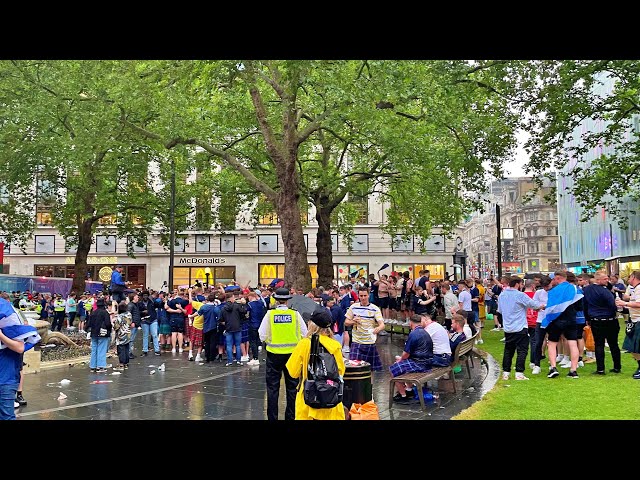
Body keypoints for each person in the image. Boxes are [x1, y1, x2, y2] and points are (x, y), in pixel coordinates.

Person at [285, 309, 346, 420]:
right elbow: (341, 371)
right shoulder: (335, 345)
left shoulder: (304, 344)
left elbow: (293, 372)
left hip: (308, 401)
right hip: (331, 400)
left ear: (312, 325)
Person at [259, 287, 307, 421]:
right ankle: (290, 417)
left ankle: (272, 417)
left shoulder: (270, 314)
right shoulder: (295, 314)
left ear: (276, 299)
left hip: (274, 355)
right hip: (292, 355)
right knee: (292, 388)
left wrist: (270, 340)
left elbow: (262, 335)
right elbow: (305, 333)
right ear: (287, 300)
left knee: (272, 388)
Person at [498, 276, 545, 380]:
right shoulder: (520, 295)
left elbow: (500, 310)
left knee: (508, 350)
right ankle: (519, 372)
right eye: (521, 284)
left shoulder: (502, 294)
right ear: (517, 284)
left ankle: (506, 372)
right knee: (522, 350)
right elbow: (533, 304)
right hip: (520, 326)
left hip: (508, 327)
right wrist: (542, 306)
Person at [389, 314, 434, 403]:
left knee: (393, 369)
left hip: (420, 364)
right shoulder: (425, 332)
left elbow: (406, 354)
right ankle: (409, 390)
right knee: (401, 365)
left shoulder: (413, 334)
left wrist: (400, 360)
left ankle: (403, 395)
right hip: (428, 362)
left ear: (411, 323)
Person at [344, 287, 385, 371]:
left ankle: (370, 384)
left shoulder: (375, 308)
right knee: (354, 367)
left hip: (369, 341)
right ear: (358, 296)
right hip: (357, 341)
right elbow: (346, 322)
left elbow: (382, 325)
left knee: (370, 369)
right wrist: (353, 321)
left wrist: (378, 328)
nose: (363, 298)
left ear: (368, 295)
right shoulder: (353, 307)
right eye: (361, 296)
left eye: (365, 295)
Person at [615, 270, 640, 379]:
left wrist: (624, 303)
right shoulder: (633, 288)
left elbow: (639, 304)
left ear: (634, 277)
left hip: (639, 320)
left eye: (629, 277)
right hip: (633, 320)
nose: (628, 279)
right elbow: (629, 300)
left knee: (637, 347)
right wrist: (626, 304)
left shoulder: (639, 288)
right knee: (631, 347)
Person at [87, 298, 112, 373]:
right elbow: (108, 323)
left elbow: (88, 324)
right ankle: (101, 366)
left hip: (94, 332)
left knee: (94, 349)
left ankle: (93, 366)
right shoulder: (105, 313)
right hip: (103, 333)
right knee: (102, 349)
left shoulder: (93, 312)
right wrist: (109, 329)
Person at [139, 291, 160, 357]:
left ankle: (156, 350)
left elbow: (159, 305)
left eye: (146, 295)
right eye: (144, 295)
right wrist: (142, 312)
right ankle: (145, 350)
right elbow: (138, 311)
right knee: (146, 335)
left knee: (154, 335)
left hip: (152, 319)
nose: (145, 297)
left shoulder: (152, 301)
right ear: (142, 296)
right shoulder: (140, 303)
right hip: (145, 320)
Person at [112, 302, 132, 371]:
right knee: (126, 348)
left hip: (121, 335)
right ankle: (126, 362)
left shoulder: (120, 317)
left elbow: (116, 327)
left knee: (121, 349)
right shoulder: (129, 314)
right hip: (128, 333)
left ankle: (121, 363)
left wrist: (113, 323)